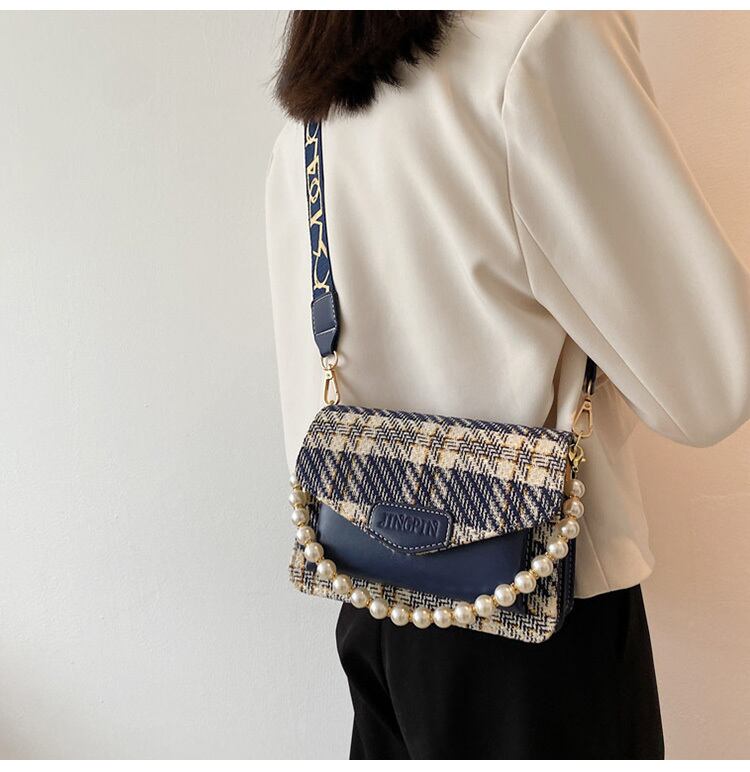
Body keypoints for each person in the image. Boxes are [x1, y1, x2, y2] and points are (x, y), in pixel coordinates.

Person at [265, 10, 750, 760]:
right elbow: (711, 386)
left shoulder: (322, 92)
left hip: (373, 605)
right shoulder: (545, 34)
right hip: (535, 632)